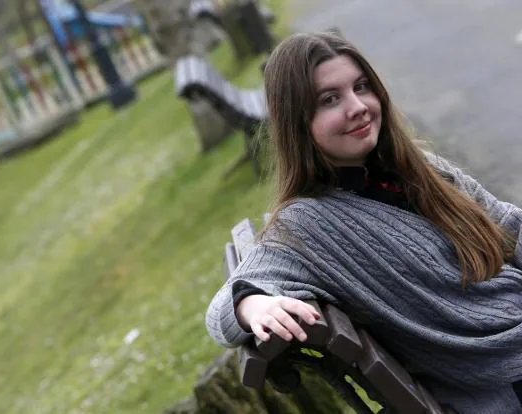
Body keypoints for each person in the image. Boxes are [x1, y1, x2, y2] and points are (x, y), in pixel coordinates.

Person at [205, 31, 522, 414]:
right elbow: (223, 311)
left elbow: (508, 224)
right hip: (499, 372)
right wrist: (252, 306)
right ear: (297, 122)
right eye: (329, 99)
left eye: (360, 87)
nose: (357, 106)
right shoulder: (309, 225)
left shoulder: (418, 170)